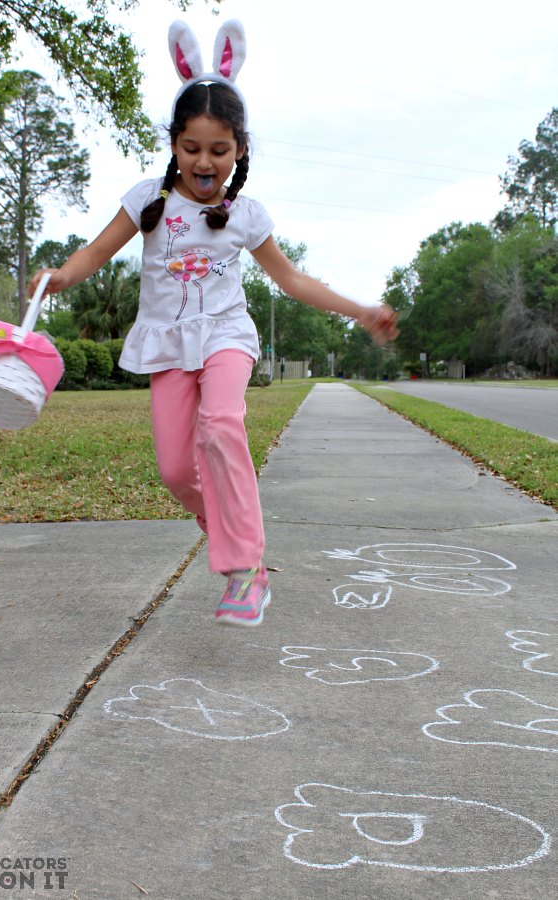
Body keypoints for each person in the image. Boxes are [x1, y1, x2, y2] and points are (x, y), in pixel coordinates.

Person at [29, 19, 399, 627]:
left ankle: (245, 568)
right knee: (176, 470)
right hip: (168, 345)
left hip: (225, 337)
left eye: (219, 151)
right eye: (192, 148)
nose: (205, 162)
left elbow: (292, 280)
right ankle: (228, 529)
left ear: (241, 150)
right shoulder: (148, 201)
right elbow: (95, 252)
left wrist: (360, 309)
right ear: (174, 144)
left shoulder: (246, 214)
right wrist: (63, 277)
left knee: (222, 424)